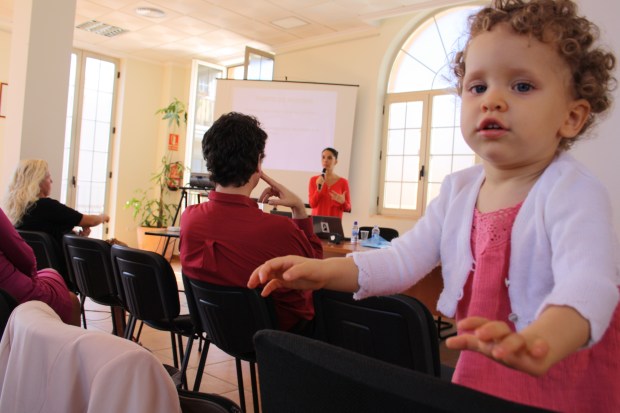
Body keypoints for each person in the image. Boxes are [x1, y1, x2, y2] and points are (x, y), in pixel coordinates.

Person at [249, 0, 619, 410]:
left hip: (559, 367)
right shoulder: (459, 190)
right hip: (486, 363)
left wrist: (542, 339)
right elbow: (401, 261)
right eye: (477, 87)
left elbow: (589, 283)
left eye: (522, 86)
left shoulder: (571, 190)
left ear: (572, 116)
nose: (492, 100)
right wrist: (322, 272)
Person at [180, 112, 323, 333]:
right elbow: (315, 270)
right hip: (279, 338)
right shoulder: (279, 229)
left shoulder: (189, 217)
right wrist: (299, 209)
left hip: (218, 328)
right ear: (257, 164)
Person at [0, 207, 81, 326]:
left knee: (50, 273)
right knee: (71, 300)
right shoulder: (47, 207)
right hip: (7, 293)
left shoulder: (18, 211)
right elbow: (24, 257)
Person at [5, 159, 110, 247]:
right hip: (57, 268)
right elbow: (90, 221)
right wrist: (103, 217)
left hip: (38, 267)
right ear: (38, 182)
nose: (51, 181)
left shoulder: (19, 209)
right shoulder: (46, 206)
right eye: (48, 177)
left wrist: (80, 237)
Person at [308, 147, 351, 218]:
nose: (325, 160)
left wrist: (343, 202)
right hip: (316, 224)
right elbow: (312, 204)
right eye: (323, 157)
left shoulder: (343, 182)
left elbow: (348, 208)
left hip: (334, 225)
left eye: (329, 158)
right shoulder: (314, 180)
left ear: (336, 162)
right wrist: (318, 190)